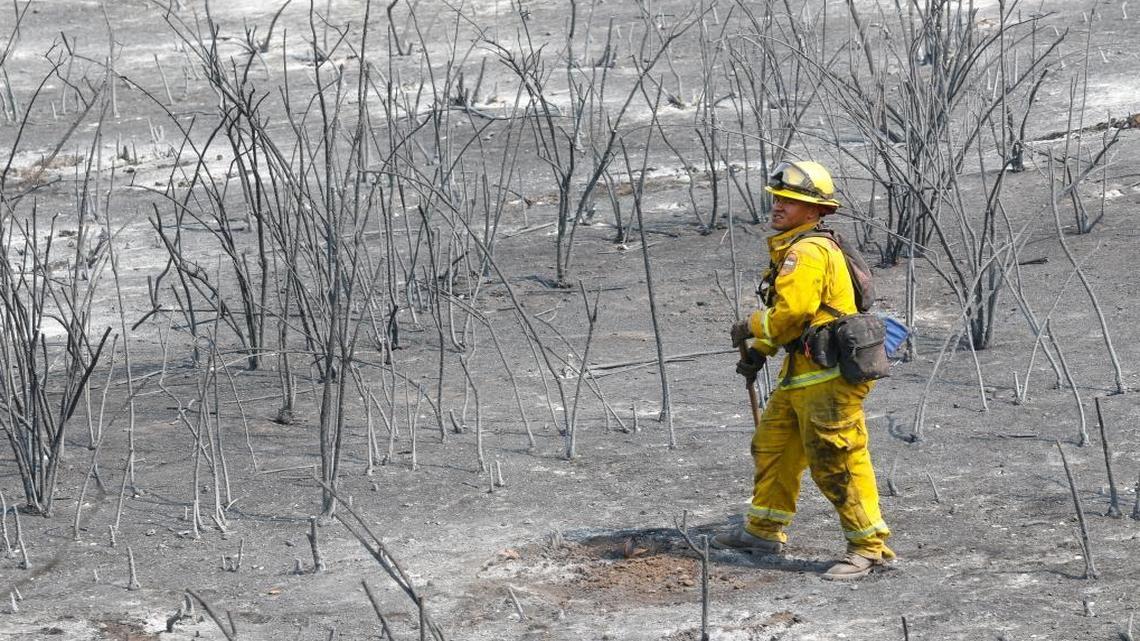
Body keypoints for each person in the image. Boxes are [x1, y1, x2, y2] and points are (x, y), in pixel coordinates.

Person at [713, 160, 893, 581]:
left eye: (790, 201)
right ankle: (763, 530)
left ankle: (869, 548)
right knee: (773, 447)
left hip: (827, 380)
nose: (778, 206)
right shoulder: (799, 247)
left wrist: (752, 326)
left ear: (815, 211)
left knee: (836, 460)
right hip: (803, 374)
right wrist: (760, 350)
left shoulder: (807, 252)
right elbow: (795, 321)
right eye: (777, 198)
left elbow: (793, 313)